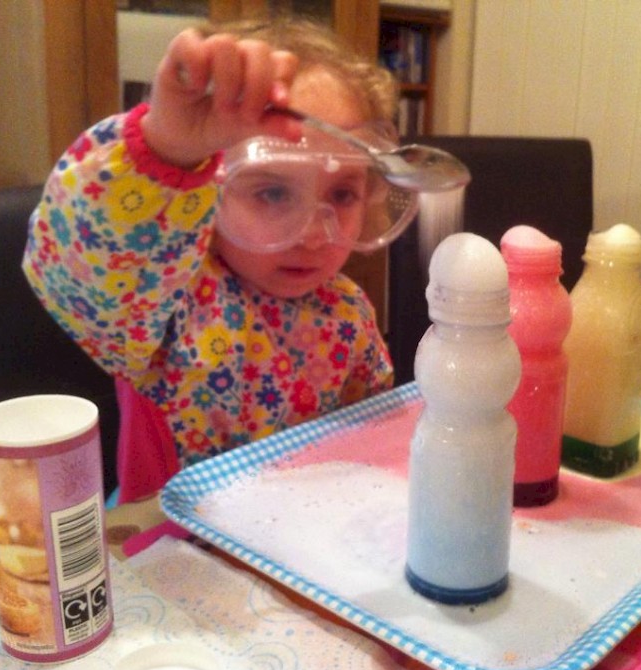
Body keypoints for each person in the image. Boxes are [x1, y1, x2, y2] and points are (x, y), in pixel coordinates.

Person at [22, 16, 418, 503]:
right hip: (171, 551)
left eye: (342, 194)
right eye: (272, 192)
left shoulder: (349, 314)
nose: (315, 233)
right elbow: (78, 268)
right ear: (207, 188)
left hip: (303, 543)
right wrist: (167, 148)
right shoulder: (166, 297)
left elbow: (371, 444)